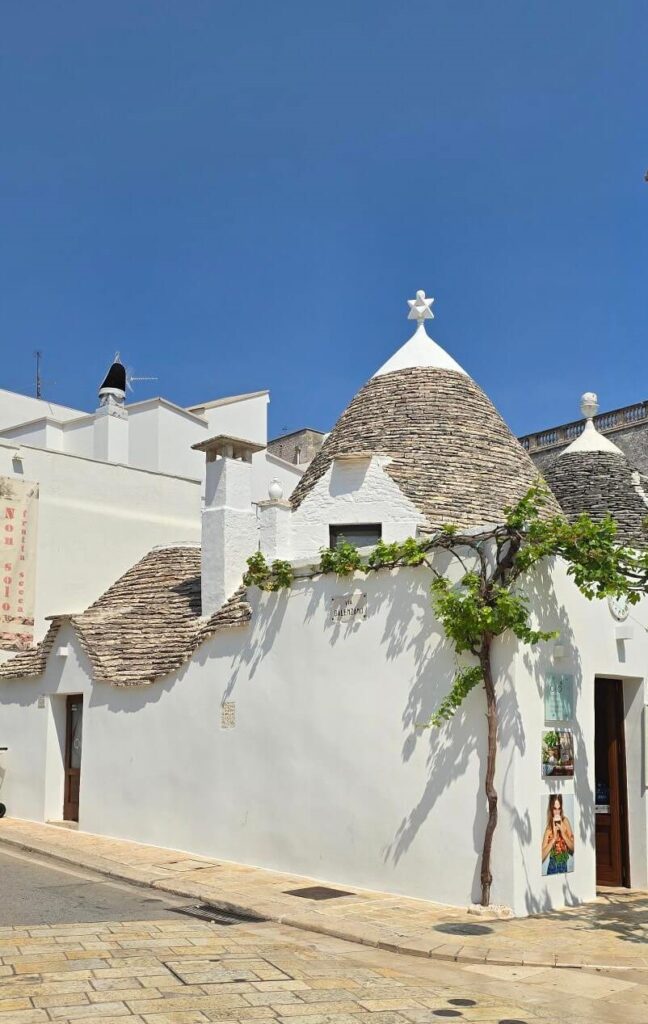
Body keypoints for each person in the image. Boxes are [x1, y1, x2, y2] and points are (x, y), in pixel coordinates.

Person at [541, 794, 574, 874]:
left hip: (564, 870)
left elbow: (573, 848)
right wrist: (554, 839)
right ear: (551, 809)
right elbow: (541, 857)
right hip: (552, 871)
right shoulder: (549, 828)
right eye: (554, 809)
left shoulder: (565, 822)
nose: (557, 812)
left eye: (559, 809)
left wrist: (564, 834)